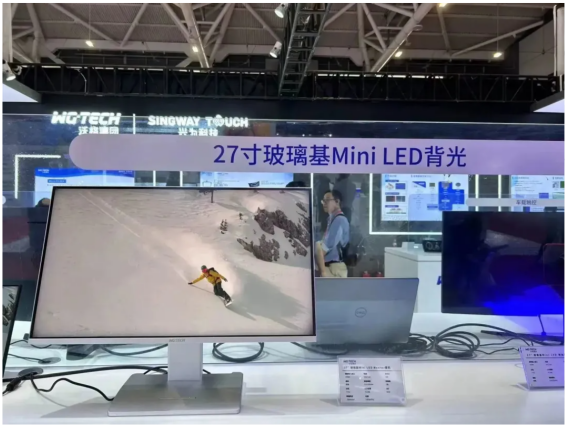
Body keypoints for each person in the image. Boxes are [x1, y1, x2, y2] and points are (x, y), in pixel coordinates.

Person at [316, 190, 350, 278]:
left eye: (327, 200)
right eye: (323, 201)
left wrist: (317, 250)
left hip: (333, 268)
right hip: (330, 267)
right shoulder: (331, 219)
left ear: (337, 201)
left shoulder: (339, 220)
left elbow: (324, 248)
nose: (324, 203)